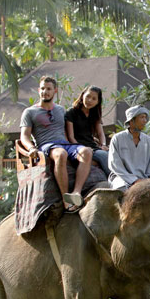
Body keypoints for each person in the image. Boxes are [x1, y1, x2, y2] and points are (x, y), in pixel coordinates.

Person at [20, 76, 94, 211]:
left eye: (48, 89)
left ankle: (76, 192)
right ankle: (66, 199)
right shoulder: (29, 112)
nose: (45, 92)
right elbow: (24, 136)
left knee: (87, 151)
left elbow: (68, 133)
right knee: (60, 154)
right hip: (46, 145)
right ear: (38, 90)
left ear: (55, 91)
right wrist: (31, 148)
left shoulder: (60, 109)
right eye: (42, 88)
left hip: (64, 143)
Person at [108, 105, 150, 191]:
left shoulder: (147, 140)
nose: (145, 121)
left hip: (143, 178)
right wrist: (134, 180)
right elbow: (115, 165)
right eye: (142, 117)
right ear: (131, 120)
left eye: (145, 117)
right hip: (122, 178)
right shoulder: (117, 138)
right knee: (121, 189)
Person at [65, 85, 110, 176]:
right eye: (88, 96)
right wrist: (82, 149)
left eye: (94, 99)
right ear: (82, 96)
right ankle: (114, 179)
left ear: (98, 102)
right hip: (80, 148)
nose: (90, 100)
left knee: (114, 155)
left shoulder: (94, 114)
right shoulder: (72, 112)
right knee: (104, 156)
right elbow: (71, 137)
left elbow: (100, 133)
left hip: (93, 147)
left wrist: (103, 145)